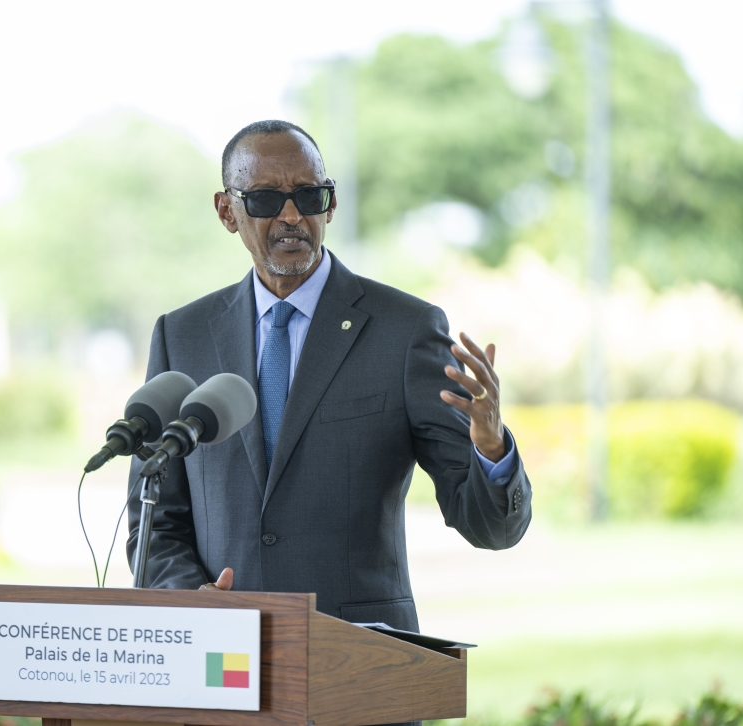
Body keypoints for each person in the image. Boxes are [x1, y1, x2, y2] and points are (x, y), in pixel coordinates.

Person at [127, 120, 531, 634]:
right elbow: (154, 524)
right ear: (227, 211)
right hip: (222, 666)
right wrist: (193, 601)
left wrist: (492, 450)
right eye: (266, 200)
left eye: (309, 196)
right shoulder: (181, 336)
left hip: (360, 667)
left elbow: (492, 528)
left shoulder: (404, 331)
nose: (292, 215)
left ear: (331, 204)